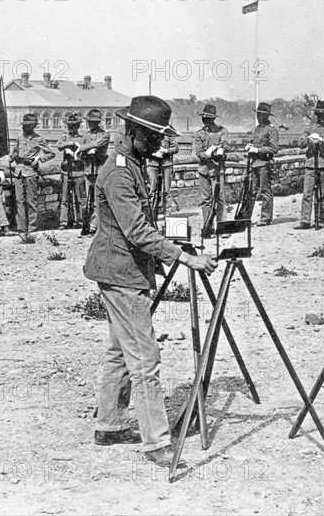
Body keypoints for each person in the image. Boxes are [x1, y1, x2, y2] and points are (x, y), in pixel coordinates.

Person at [85, 95, 217, 466]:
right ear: (133, 132)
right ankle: (157, 442)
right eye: (154, 138)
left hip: (126, 271)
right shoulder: (118, 171)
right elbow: (137, 231)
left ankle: (109, 424)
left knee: (119, 351)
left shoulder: (135, 164)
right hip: (120, 273)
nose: (159, 145)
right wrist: (184, 257)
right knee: (145, 357)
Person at [294, 100, 324, 229]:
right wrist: (308, 140)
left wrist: (322, 140)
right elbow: (300, 143)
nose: (321, 117)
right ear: (316, 115)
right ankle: (305, 220)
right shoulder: (309, 128)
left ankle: (320, 219)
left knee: (322, 193)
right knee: (307, 193)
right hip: (310, 164)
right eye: (319, 114)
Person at [10, 113, 56, 233]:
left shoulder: (38, 139)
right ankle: (21, 227)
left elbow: (51, 153)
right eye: (24, 125)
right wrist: (12, 157)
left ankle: (32, 227)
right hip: (18, 172)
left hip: (30, 172)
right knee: (19, 200)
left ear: (33, 126)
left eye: (28, 125)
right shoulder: (19, 138)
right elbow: (14, 153)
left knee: (31, 201)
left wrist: (39, 158)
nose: (24, 127)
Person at [192, 104, 231, 235]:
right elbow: (198, 152)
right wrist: (208, 154)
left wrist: (221, 149)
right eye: (205, 118)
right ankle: (208, 226)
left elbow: (226, 145)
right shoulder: (199, 133)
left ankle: (222, 227)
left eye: (209, 118)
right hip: (203, 169)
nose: (206, 120)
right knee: (205, 200)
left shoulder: (221, 131)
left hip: (217, 169)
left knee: (219, 198)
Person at [76, 109, 110, 236]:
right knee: (85, 200)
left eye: (93, 122)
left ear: (98, 123)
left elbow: (98, 144)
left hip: (100, 170)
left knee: (97, 199)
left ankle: (94, 226)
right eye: (89, 122)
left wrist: (86, 148)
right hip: (88, 170)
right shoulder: (86, 135)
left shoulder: (104, 135)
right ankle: (85, 225)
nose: (91, 124)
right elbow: (80, 154)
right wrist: (85, 150)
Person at [247, 102, 279, 226]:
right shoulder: (258, 129)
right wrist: (250, 146)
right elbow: (256, 142)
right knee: (251, 191)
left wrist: (258, 150)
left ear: (266, 116)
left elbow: (274, 148)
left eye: (261, 114)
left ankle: (265, 218)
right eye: (258, 114)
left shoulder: (272, 129)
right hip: (255, 163)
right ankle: (246, 217)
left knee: (265, 191)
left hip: (265, 164)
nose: (259, 116)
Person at [56, 114, 85, 229]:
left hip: (78, 171)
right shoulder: (65, 138)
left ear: (78, 126)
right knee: (64, 199)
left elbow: (84, 148)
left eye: (73, 126)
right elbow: (59, 146)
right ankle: (63, 222)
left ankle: (81, 221)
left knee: (80, 199)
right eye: (69, 126)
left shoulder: (82, 138)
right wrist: (70, 144)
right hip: (66, 172)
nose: (71, 128)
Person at [147, 134, 179, 218]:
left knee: (167, 191)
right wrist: (154, 153)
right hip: (153, 163)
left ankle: (167, 215)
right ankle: (151, 215)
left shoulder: (168, 132)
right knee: (152, 190)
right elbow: (145, 147)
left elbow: (176, 148)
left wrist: (166, 151)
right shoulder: (150, 131)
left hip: (166, 163)